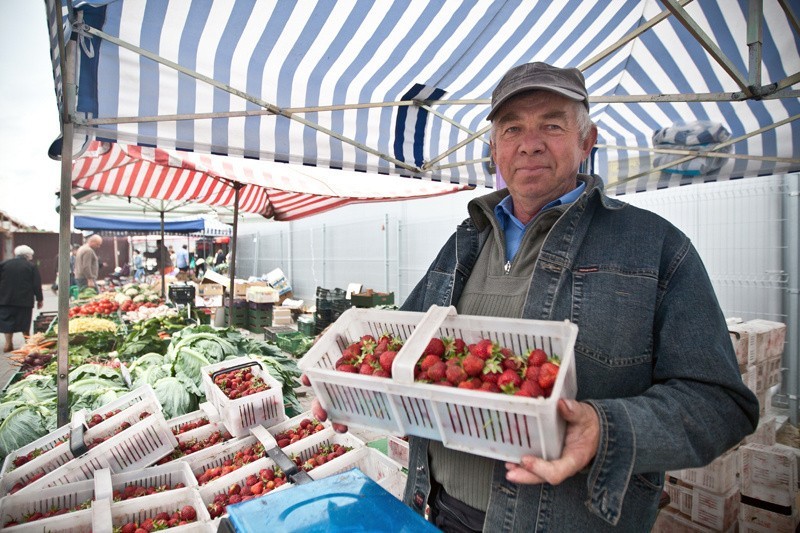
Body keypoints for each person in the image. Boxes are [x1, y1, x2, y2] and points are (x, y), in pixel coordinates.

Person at [311, 62, 759, 531]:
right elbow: (399, 352)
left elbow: (721, 404)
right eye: (512, 128)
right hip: (440, 511)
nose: (529, 142)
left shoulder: (657, 249)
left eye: (552, 123)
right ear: (494, 150)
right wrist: (351, 390)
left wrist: (605, 428)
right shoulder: (464, 241)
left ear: (588, 140)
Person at [0, 245, 44, 352]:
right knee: (24, 322)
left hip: (6, 299)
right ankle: (28, 343)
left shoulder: (4, 264)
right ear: (28, 255)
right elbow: (36, 284)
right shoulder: (31, 266)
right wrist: (39, 299)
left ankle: (8, 343)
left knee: (7, 321)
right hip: (24, 300)